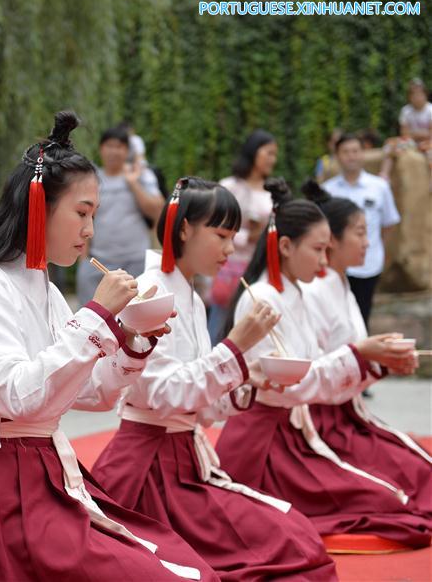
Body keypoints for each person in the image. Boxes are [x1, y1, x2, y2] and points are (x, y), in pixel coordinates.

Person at [0, 111, 214, 582]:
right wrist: (97, 318)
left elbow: (90, 395)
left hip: (44, 470)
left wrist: (132, 344)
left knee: (185, 566)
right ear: (40, 207)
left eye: (93, 215)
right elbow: (20, 396)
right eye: (81, 213)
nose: (89, 230)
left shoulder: (48, 289)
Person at [93, 177, 337, 580]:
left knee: (297, 535)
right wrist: (235, 350)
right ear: (185, 227)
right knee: (291, 544)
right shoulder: (153, 290)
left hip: (185, 458)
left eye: (234, 237)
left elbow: (200, 406)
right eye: (221, 235)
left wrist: (247, 379)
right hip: (150, 470)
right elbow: (162, 394)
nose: (230, 249)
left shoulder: (187, 291)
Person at [216, 179, 430, 552]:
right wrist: (362, 354)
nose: (323, 259)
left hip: (297, 428)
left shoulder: (294, 290)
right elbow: (292, 382)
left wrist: (373, 359)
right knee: (394, 500)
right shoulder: (263, 298)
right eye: (318, 248)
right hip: (268, 443)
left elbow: (308, 370)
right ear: (285, 246)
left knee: (402, 491)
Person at [302, 181, 430, 522]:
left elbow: (353, 357)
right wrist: (365, 354)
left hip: (350, 413)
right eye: (360, 233)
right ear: (332, 239)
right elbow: (308, 373)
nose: (368, 242)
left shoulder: (341, 282)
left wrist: (384, 360)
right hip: (323, 422)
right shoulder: (314, 290)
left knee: (421, 468)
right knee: (403, 492)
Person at [76, 124, 164, 305]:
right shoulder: (92, 179)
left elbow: (158, 210)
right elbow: (83, 218)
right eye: (109, 146)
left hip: (135, 262)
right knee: (92, 314)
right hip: (98, 263)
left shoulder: (141, 175)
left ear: (127, 151)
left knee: (135, 318)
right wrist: (83, 259)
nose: (114, 151)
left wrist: (133, 184)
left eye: (119, 146)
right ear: (101, 148)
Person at [322, 133, 401, 327]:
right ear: (337, 155)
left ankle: (359, 354)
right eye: (346, 152)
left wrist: (371, 246)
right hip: (335, 265)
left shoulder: (379, 187)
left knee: (361, 316)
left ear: (363, 154)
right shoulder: (327, 191)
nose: (351, 156)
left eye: (356, 151)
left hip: (369, 263)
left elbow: (389, 223)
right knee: (333, 316)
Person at [207, 129, 276, 344]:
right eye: (269, 153)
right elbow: (212, 227)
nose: (272, 159)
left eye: (275, 155)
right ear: (254, 152)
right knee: (219, 323)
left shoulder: (271, 192)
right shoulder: (230, 186)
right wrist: (248, 236)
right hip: (227, 263)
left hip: (257, 266)